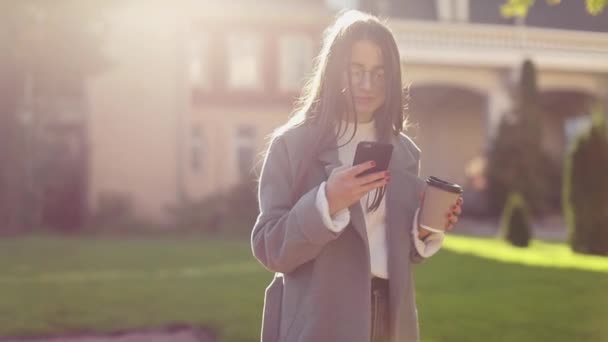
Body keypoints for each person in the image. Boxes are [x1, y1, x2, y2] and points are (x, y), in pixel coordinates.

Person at [251, 10, 463, 342]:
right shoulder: (292, 146)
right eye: (357, 71)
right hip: (320, 324)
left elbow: (392, 252)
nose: (367, 85)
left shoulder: (404, 153)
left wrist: (423, 229)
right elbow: (269, 247)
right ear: (336, 72)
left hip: (390, 323)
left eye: (379, 74)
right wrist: (326, 203)